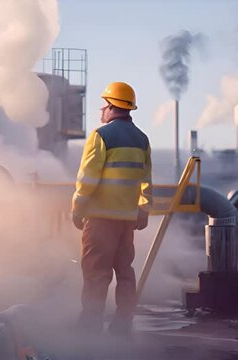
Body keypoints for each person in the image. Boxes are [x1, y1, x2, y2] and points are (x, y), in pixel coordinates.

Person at [71, 81, 152, 335]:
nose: (100, 111)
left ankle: (90, 326)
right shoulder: (142, 140)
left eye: (102, 105)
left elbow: (88, 179)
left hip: (100, 219)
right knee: (125, 272)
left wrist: (78, 208)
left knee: (96, 273)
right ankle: (123, 323)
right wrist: (143, 210)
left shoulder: (101, 136)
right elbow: (146, 181)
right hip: (126, 221)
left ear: (110, 106)